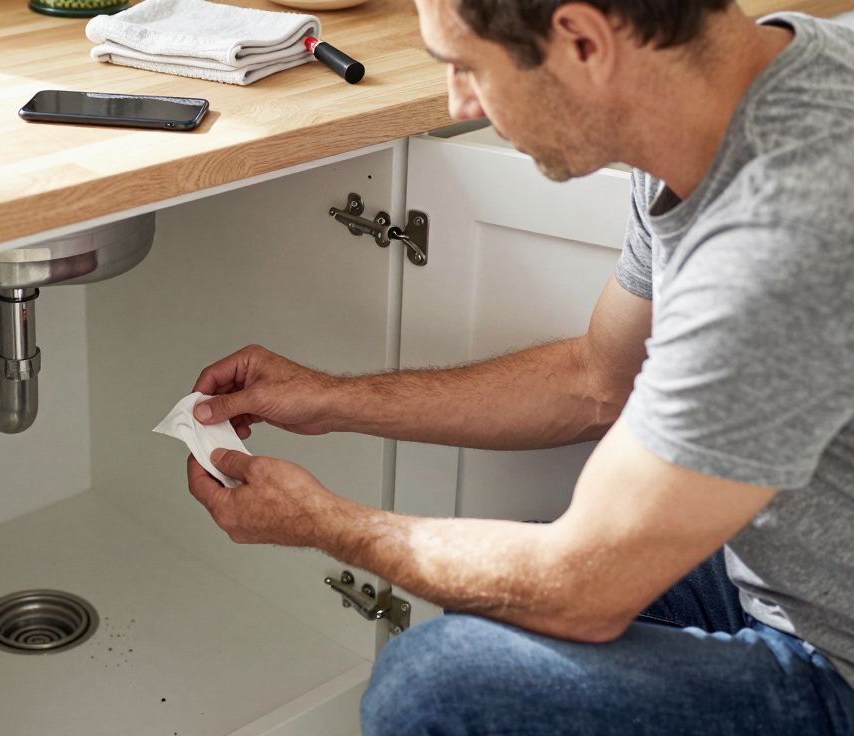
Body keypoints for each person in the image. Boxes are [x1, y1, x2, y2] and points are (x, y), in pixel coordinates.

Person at [182, 1, 854, 733]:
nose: (458, 103)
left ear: (582, 40)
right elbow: (598, 381)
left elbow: (579, 589)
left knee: (437, 685)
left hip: (837, 660)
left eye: (468, 68)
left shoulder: (780, 235)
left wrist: (327, 524)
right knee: (492, 581)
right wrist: (329, 398)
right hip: (782, 578)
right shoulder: (732, 94)